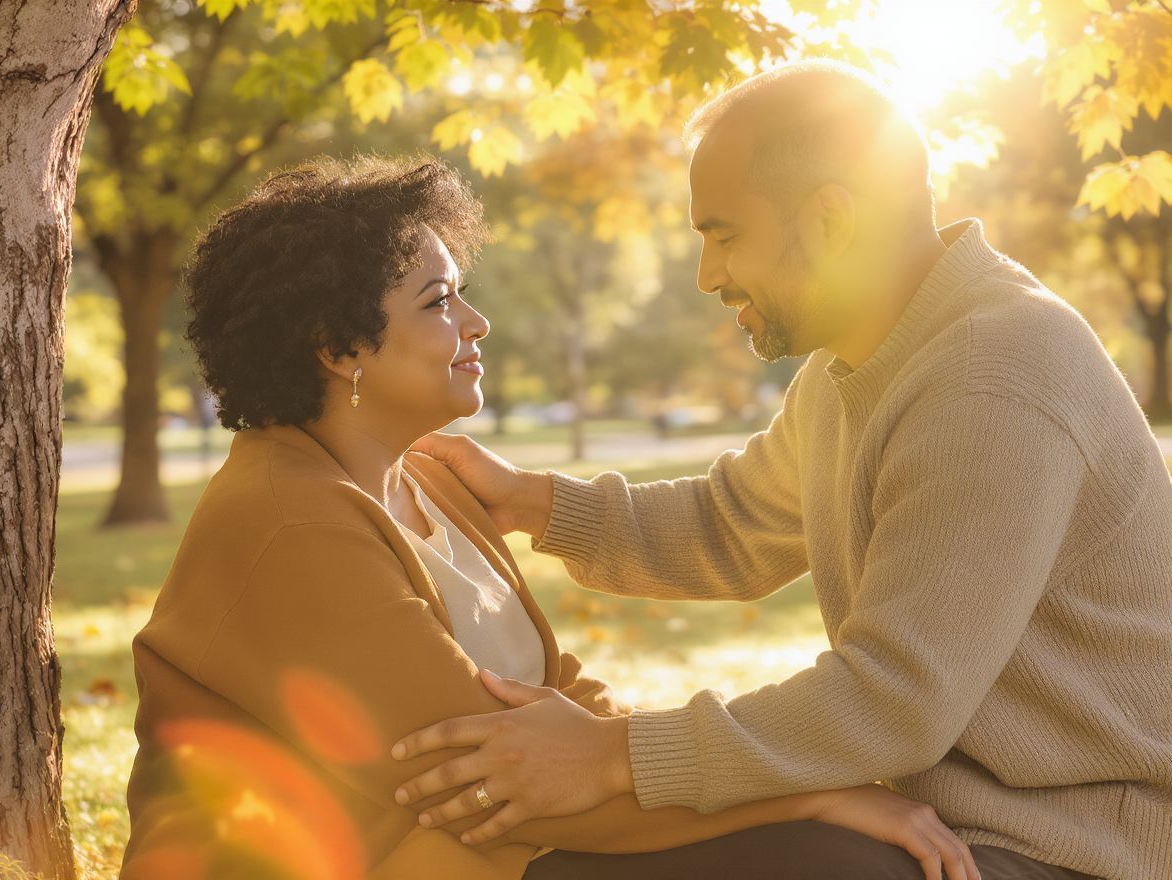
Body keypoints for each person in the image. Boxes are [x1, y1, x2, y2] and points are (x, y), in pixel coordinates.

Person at [391, 60, 1172, 880]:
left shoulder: (992, 377)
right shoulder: (863, 366)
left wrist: (611, 755)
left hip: (1079, 850)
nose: (708, 276)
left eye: (723, 234)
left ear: (831, 218)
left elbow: (893, 699)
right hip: (966, 829)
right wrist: (535, 503)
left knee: (594, 868)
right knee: (589, 852)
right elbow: (731, 525)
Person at [119, 153, 983, 880]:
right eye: (438, 302)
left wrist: (687, 768)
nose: (478, 321)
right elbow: (497, 781)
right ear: (339, 347)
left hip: (483, 853)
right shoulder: (292, 524)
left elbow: (561, 699)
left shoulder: (431, 482)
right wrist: (813, 790)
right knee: (823, 856)